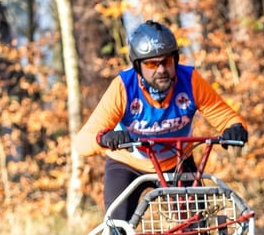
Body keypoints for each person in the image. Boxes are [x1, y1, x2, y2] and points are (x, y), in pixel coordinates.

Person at [73, 19, 248, 224]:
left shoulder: (190, 81)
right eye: (151, 64)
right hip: (127, 163)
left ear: (175, 59)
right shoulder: (123, 87)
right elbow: (82, 142)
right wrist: (105, 137)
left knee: (196, 232)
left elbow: (227, 117)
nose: (161, 70)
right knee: (116, 231)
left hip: (177, 162)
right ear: (138, 66)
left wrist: (235, 129)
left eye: (166, 61)